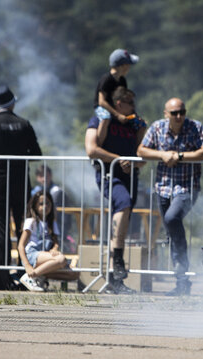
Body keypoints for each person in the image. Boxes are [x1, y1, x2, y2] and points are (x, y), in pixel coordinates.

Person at [137, 98, 203, 296]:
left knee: (171, 219)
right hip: (162, 188)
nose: (179, 116)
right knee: (173, 233)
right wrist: (162, 155)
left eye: (182, 112)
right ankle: (182, 282)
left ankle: (182, 277)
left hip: (187, 187)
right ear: (166, 113)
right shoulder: (157, 127)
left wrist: (178, 156)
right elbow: (141, 150)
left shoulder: (195, 127)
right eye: (174, 113)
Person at [85, 87, 146, 294]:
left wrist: (141, 133)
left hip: (130, 177)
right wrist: (118, 160)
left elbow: (142, 157)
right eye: (131, 104)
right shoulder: (101, 119)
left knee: (124, 215)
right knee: (123, 203)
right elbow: (91, 149)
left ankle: (114, 279)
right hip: (109, 175)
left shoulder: (133, 124)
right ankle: (118, 262)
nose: (134, 109)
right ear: (119, 104)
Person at [0, 85, 41, 270]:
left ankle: (3, 270)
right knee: (24, 226)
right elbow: (36, 154)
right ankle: (25, 268)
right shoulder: (24, 124)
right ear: (12, 103)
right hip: (21, 181)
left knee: (1, 228)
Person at [18, 190, 80, 292]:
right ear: (35, 206)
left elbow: (55, 242)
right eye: (41, 204)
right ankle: (31, 276)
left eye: (47, 203)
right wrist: (27, 265)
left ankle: (40, 275)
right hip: (32, 254)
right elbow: (21, 245)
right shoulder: (31, 221)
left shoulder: (51, 223)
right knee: (61, 259)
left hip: (45, 254)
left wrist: (55, 248)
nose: (45, 206)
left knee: (74, 274)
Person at [94, 49, 139, 147]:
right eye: (128, 64)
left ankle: (137, 149)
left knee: (139, 122)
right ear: (122, 66)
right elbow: (101, 101)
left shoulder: (122, 80)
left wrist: (133, 113)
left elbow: (125, 98)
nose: (129, 67)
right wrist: (118, 115)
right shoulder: (106, 79)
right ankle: (98, 146)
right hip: (104, 108)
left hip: (117, 108)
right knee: (106, 117)